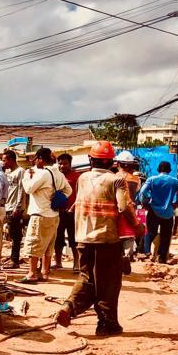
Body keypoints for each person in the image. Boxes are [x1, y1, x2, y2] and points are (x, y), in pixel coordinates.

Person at [57, 141, 136, 337]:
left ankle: (69, 306)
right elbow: (124, 207)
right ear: (112, 162)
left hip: (83, 239)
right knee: (108, 283)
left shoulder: (82, 178)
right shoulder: (116, 180)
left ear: (91, 160)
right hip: (107, 240)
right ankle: (107, 324)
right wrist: (137, 227)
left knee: (87, 278)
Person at [20, 147, 71, 283]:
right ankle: (45, 272)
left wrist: (26, 176)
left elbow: (29, 188)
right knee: (49, 245)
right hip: (53, 214)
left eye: (36, 159)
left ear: (40, 159)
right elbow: (69, 190)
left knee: (34, 244)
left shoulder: (42, 174)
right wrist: (57, 198)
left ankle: (31, 273)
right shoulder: (58, 174)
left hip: (40, 213)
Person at [137, 161, 178, 263]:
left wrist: (145, 203)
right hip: (168, 212)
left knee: (150, 232)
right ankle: (162, 258)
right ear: (169, 170)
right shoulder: (175, 181)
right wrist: (177, 202)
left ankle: (145, 252)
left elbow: (142, 192)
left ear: (158, 169)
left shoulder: (151, 180)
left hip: (153, 210)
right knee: (166, 235)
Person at [114, 151, 143, 267]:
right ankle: (127, 255)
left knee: (116, 237)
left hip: (115, 211)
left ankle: (117, 259)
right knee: (129, 236)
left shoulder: (113, 177)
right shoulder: (136, 180)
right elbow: (135, 194)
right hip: (131, 210)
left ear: (118, 164)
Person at [53, 153, 80, 271]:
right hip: (58, 212)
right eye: (60, 163)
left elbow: (80, 194)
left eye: (65, 163)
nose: (62, 166)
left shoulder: (77, 176)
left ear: (70, 164)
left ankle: (76, 263)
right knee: (58, 238)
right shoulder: (56, 176)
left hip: (72, 212)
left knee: (74, 239)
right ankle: (58, 262)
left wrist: (73, 207)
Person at [2, 149, 26, 268]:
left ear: (11, 160)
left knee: (16, 234)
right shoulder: (7, 173)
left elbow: (22, 189)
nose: (3, 163)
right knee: (11, 233)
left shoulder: (20, 171)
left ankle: (15, 260)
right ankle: (13, 258)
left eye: (5, 160)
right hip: (8, 206)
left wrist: (18, 207)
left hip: (15, 207)